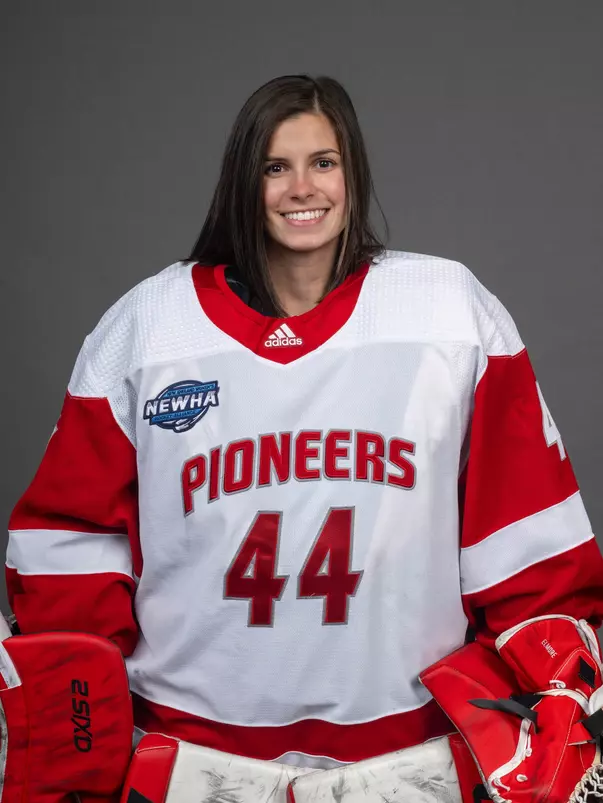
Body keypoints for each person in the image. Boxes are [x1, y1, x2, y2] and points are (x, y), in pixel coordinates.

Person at [6, 74, 603, 802]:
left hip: (410, 759)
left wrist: (560, 689)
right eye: (274, 166)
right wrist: (77, 722)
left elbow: (524, 535)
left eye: (323, 162)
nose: (301, 188)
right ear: (243, 181)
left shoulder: (448, 311)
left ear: (352, 173)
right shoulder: (147, 329)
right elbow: (68, 544)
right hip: (186, 757)